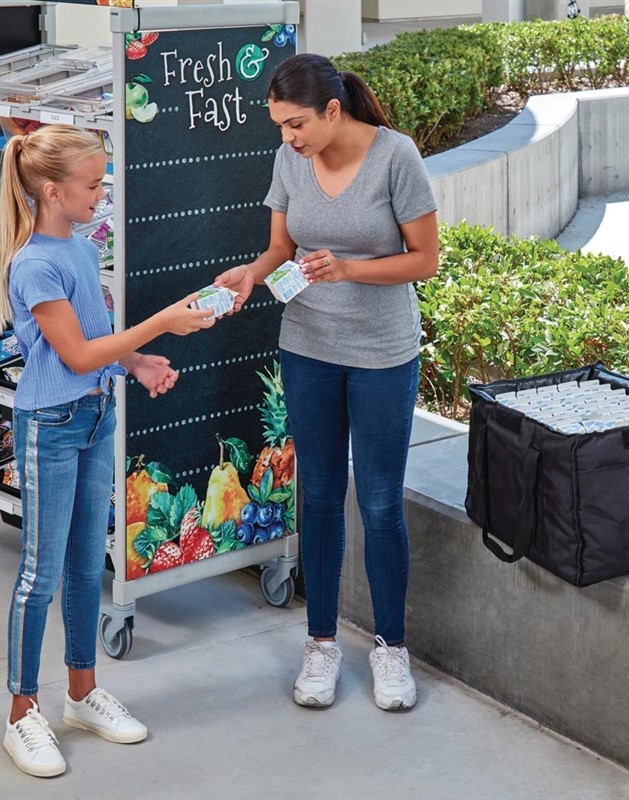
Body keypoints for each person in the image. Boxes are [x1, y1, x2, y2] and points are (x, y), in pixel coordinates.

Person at [215, 53, 439, 711]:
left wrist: (350, 270)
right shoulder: (291, 159)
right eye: (281, 125)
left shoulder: (396, 157)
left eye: (296, 123)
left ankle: (390, 650)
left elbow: (424, 259)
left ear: (332, 110)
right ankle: (320, 645)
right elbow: (280, 249)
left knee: (377, 503)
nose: (288, 137)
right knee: (316, 496)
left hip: (382, 354)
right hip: (307, 346)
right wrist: (253, 274)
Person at [0, 124, 215, 777]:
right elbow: (73, 355)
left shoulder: (81, 249)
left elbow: (99, 344)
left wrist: (140, 362)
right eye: (94, 184)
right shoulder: (34, 263)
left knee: (87, 563)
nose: (102, 192)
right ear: (52, 190)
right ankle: (20, 713)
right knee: (40, 573)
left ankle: (81, 693)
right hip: (52, 424)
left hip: (95, 416)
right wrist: (162, 321)